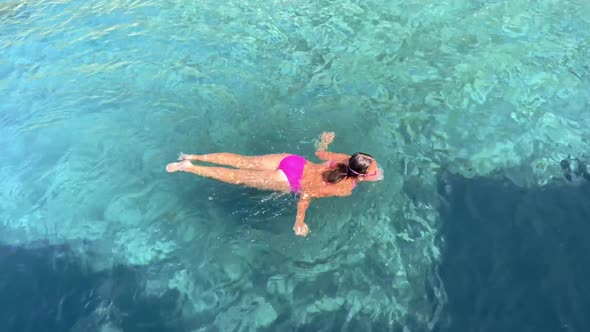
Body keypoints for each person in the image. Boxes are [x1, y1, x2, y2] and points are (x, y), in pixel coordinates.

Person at [166, 132, 383, 237]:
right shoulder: (344, 188)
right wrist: (299, 222)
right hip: (289, 180)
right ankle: (189, 167)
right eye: (373, 170)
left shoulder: (345, 158)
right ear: (361, 177)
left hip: (292, 160)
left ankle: (195, 155)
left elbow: (319, 153)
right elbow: (307, 193)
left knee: (245, 161)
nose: (376, 170)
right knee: (237, 176)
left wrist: (325, 141)